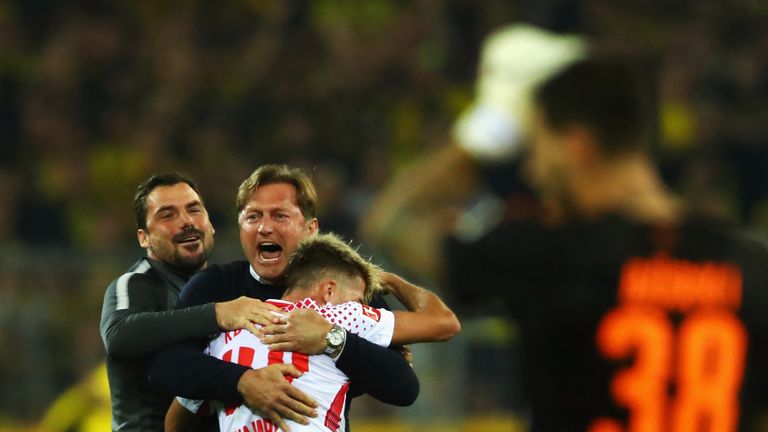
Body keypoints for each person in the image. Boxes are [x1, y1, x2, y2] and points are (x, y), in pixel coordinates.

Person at [364, 41, 768, 431]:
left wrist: (486, 133)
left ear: (578, 145)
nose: (533, 170)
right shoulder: (751, 265)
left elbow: (395, 221)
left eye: (538, 146)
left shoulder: (557, 255)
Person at [149, 165, 422, 431]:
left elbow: (403, 388)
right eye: (253, 217)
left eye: (280, 216)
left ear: (310, 229)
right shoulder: (215, 287)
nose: (264, 228)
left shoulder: (343, 288)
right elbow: (165, 366)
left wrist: (332, 340)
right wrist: (242, 382)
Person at [165, 233, 460, 432]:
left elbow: (176, 419)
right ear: (329, 290)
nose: (362, 304)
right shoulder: (340, 314)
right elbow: (444, 323)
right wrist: (392, 281)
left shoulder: (227, 331)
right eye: (359, 296)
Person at [99, 173, 286, 431]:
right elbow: (119, 335)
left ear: (211, 225)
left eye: (194, 210)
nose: (186, 222)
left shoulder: (228, 285)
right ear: (144, 238)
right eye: (167, 215)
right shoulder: (137, 283)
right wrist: (217, 314)